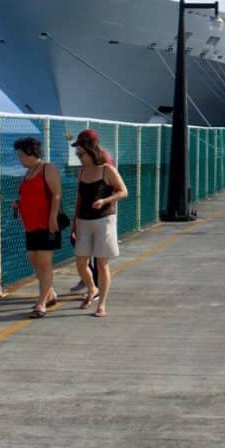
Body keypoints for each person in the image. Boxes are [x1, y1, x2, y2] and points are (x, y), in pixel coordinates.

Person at [72, 133, 128, 317]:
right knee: (81, 263)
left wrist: (105, 200)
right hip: (84, 221)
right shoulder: (82, 172)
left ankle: (101, 304)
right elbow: (79, 200)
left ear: (91, 152)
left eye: (81, 154)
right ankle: (92, 289)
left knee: (102, 264)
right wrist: (74, 223)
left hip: (104, 220)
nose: (79, 158)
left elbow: (123, 191)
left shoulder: (106, 170)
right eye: (77, 155)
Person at [12, 137, 64, 318]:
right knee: (34, 261)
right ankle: (50, 295)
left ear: (30, 152)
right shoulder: (28, 173)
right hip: (31, 225)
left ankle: (41, 303)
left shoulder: (47, 169)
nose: (19, 159)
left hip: (45, 224)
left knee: (44, 263)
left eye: (20, 155)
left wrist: (52, 218)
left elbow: (57, 194)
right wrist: (18, 204)